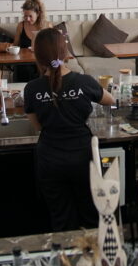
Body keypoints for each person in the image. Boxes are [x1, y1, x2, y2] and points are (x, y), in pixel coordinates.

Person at [24, 28, 115, 231]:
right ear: (65, 53)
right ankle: (92, 250)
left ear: (38, 57)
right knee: (91, 216)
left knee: (61, 219)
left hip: (50, 158)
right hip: (83, 156)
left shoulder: (31, 89)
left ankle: (66, 250)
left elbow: (38, 126)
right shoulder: (84, 81)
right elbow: (110, 100)